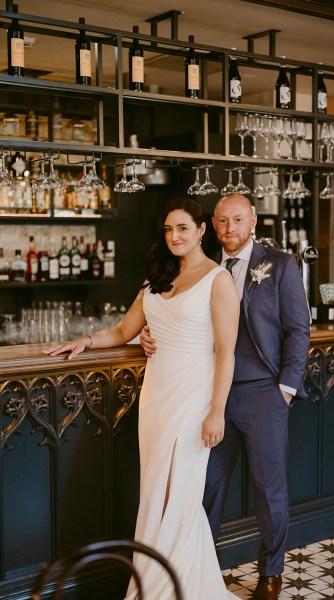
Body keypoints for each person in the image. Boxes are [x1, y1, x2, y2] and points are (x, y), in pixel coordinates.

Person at [43, 197, 240, 600]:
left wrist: (217, 411)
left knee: (179, 491)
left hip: (192, 399)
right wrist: (86, 340)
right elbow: (123, 330)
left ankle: (159, 590)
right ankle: (176, 584)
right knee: (154, 493)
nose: (174, 237)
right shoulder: (156, 279)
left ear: (202, 230)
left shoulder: (218, 281)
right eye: (168, 230)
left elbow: (227, 353)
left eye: (183, 228)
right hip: (155, 397)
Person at [141, 193, 311, 600]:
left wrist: (285, 389)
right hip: (207, 394)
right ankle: (201, 571)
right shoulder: (201, 268)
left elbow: (299, 330)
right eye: (221, 221)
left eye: (237, 219)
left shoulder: (281, 265)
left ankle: (271, 574)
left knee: (268, 488)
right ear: (210, 227)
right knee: (204, 486)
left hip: (262, 393)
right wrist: (149, 333)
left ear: (253, 221)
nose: (229, 228)